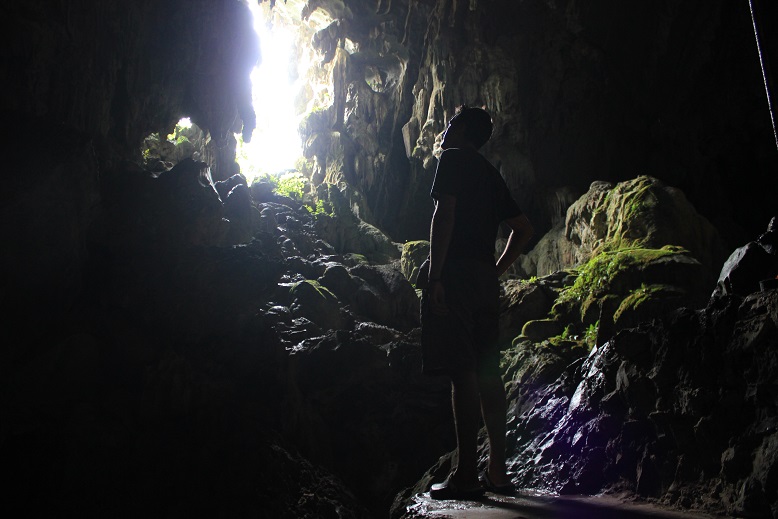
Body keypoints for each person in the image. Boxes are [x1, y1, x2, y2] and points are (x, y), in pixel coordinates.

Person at [421, 106, 534, 500]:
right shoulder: (490, 174)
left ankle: (467, 474)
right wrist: (495, 270)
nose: (445, 130)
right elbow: (523, 229)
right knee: (488, 373)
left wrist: (436, 276)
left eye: (451, 124)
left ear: (462, 129)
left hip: (457, 277)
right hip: (485, 282)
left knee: (462, 372)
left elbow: (445, 214)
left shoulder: (453, 159)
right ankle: (498, 472)